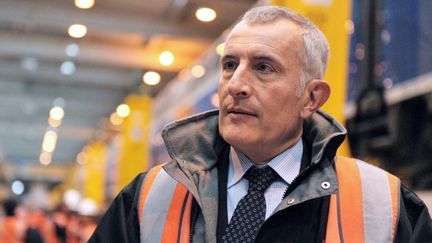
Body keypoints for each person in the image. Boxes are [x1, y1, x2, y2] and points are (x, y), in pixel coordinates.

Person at [89, 5, 432, 243]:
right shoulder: (148, 197)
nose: (235, 84)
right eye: (229, 65)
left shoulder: (384, 205)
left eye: (263, 67)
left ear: (311, 98)